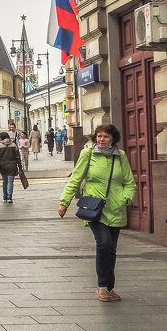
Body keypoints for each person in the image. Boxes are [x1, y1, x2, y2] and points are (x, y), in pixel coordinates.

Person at [58, 123, 136, 302]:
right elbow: (75, 179)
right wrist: (64, 202)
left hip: (116, 209)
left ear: (113, 139)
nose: (101, 140)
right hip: (95, 209)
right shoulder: (88, 153)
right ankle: (102, 286)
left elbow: (129, 183)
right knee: (104, 244)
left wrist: (126, 199)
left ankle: (109, 287)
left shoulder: (120, 156)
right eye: (99, 136)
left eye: (105, 137)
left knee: (112, 249)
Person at [0, 132, 22, 202]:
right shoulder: (14, 145)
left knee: (5, 181)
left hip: (3, 165)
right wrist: (20, 165)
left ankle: (5, 197)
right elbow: (17, 156)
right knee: (10, 181)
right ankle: (9, 197)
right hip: (12, 165)